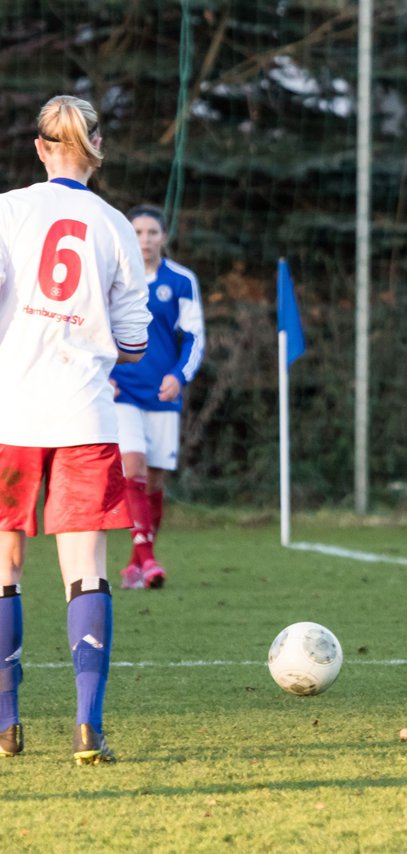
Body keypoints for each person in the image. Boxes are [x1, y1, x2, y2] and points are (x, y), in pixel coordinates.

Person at [0, 95, 151, 762]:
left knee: (4, 568)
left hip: (10, 413)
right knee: (84, 570)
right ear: (97, 151)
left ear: (39, 148)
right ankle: (88, 727)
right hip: (85, 415)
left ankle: (5, 724)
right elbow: (134, 343)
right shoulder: (116, 225)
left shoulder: (8, 211)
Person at [110, 205, 206, 589]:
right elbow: (93, 328)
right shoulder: (114, 277)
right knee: (132, 470)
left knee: (154, 481)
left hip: (163, 393)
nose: (144, 240)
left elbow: (194, 336)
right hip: (123, 391)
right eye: (137, 233)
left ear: (163, 237)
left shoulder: (181, 280)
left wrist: (179, 376)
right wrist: (104, 376)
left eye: (152, 233)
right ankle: (149, 561)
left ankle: (136, 565)